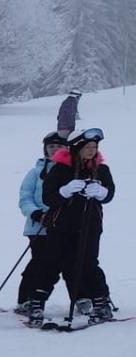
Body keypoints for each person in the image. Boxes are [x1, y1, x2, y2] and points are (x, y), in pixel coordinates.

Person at [41, 127, 115, 323]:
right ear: (76, 148)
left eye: (94, 147)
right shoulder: (60, 169)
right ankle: (36, 302)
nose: (92, 150)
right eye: (87, 147)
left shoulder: (101, 169)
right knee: (53, 262)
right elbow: (48, 197)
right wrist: (64, 191)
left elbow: (110, 193)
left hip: (90, 225)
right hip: (62, 227)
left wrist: (102, 192)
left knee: (89, 263)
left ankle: (101, 302)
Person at [14, 132, 68, 323]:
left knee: (67, 262)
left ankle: (81, 296)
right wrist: (37, 214)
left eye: (59, 146)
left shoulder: (70, 170)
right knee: (40, 263)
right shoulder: (35, 172)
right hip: (39, 227)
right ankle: (26, 299)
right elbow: (25, 198)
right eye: (51, 146)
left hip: (64, 226)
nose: (55, 149)